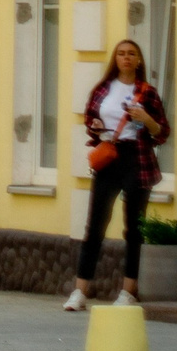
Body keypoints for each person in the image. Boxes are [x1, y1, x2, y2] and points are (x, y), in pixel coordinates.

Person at [65, 37, 170, 311]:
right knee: (95, 226)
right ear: (115, 59)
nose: (126, 58)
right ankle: (80, 291)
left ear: (138, 60)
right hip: (109, 157)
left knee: (133, 228)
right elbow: (90, 119)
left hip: (137, 159)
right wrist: (96, 127)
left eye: (131, 54)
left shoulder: (147, 92)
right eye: (121, 54)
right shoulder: (103, 89)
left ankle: (128, 291)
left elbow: (163, 133)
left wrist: (146, 120)